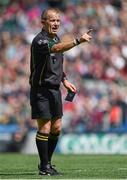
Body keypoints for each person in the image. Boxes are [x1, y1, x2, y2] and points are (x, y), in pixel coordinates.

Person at [29, 7, 92, 176]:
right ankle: (44, 167)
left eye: (57, 20)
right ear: (43, 22)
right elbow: (56, 49)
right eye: (52, 20)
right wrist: (78, 41)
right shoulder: (40, 41)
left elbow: (56, 64)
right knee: (45, 128)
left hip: (55, 90)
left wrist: (64, 80)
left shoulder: (55, 38)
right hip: (41, 90)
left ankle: (47, 164)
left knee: (56, 128)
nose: (56, 23)